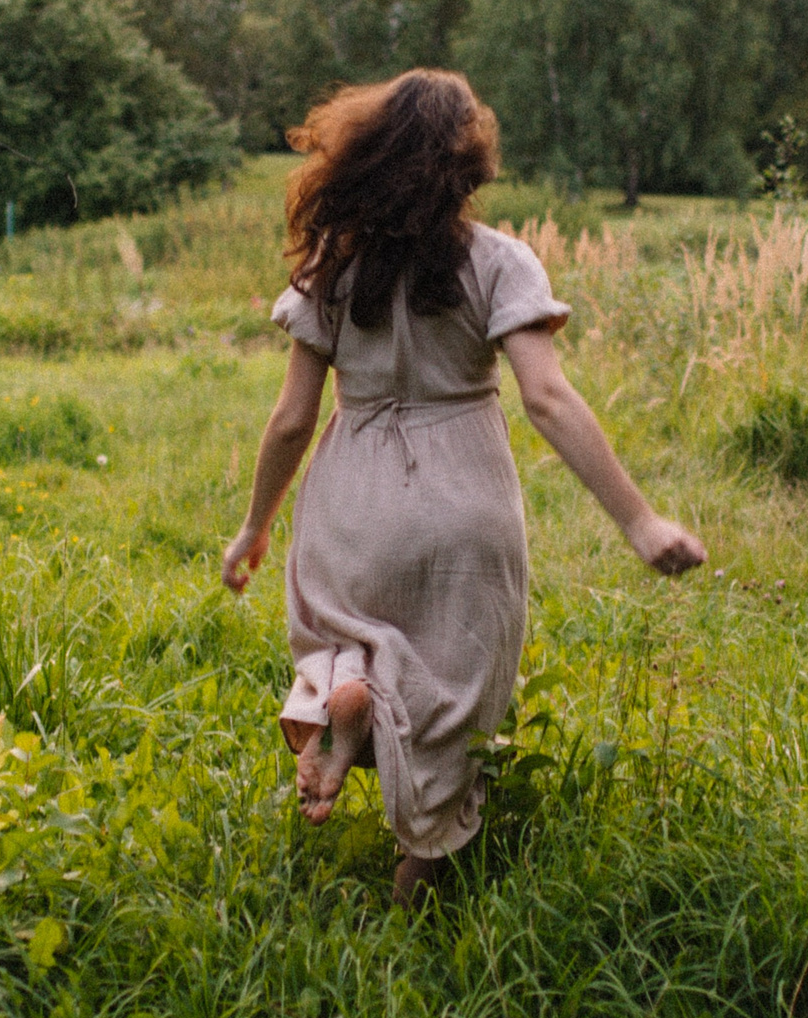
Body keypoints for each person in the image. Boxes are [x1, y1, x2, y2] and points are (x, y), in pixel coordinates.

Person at [220, 70, 708, 905]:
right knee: (457, 687)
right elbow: (547, 398)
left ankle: (348, 699)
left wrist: (254, 525)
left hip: (352, 498)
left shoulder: (334, 266)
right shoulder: (498, 261)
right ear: (468, 164)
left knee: (351, 632)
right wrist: (640, 521)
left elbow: (293, 418)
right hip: (462, 501)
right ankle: (420, 871)